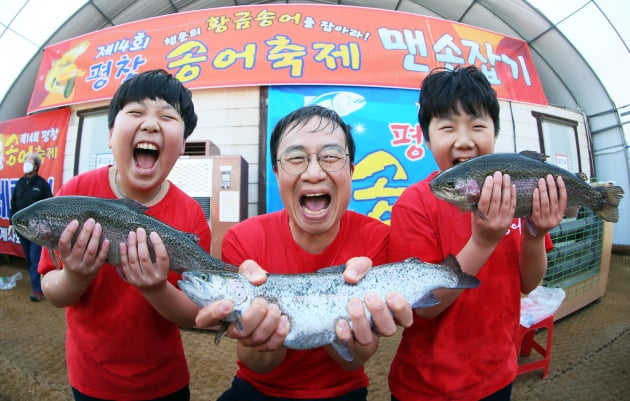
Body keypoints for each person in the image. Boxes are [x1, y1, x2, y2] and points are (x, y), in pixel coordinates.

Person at [195, 105, 413, 401]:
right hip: (257, 389)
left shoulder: (379, 239)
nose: (313, 173)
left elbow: (353, 360)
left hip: (343, 390)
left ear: (350, 170)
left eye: (331, 157)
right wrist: (260, 336)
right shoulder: (241, 239)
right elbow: (258, 364)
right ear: (276, 171)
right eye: (296, 158)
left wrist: (358, 339)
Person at [387, 66, 568, 401]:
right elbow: (423, 307)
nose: (464, 140)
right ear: (426, 138)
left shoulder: (517, 195)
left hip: (498, 374)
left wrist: (534, 234)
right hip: (427, 388)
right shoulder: (414, 205)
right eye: (447, 127)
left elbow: (527, 286)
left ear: (494, 134)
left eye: (478, 125)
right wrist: (483, 241)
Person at [38, 69, 209, 401]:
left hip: (166, 382)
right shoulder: (75, 194)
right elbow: (53, 292)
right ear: (111, 134)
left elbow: (194, 313)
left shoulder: (189, 213)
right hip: (91, 380)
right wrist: (75, 276)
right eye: (136, 113)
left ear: (183, 144)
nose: (150, 124)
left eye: (167, 116)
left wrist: (156, 288)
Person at [9, 152, 53, 301]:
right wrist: (12, 223)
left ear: (36, 166)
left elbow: (50, 207)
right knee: (28, 258)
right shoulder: (20, 183)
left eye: (29, 162)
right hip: (22, 229)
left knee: (35, 258)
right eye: (25, 161)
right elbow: (13, 204)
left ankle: (37, 290)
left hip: (37, 230)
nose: (25, 164)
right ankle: (37, 284)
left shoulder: (42, 185)